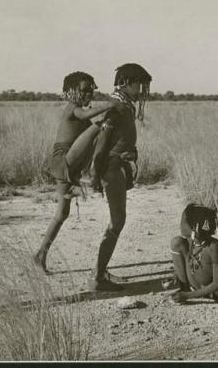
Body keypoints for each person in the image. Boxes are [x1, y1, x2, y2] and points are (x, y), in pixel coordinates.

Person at [34, 71, 124, 274]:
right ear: (69, 92)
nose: (87, 95)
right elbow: (84, 116)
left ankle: (40, 254)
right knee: (99, 127)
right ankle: (78, 187)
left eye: (91, 90)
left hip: (73, 165)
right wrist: (110, 105)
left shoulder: (82, 109)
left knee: (61, 213)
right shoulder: (73, 108)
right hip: (63, 161)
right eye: (83, 91)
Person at [86, 63, 152, 291]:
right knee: (117, 221)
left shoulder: (124, 105)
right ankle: (97, 277)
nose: (141, 91)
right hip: (111, 169)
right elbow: (102, 142)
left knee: (117, 221)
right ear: (125, 83)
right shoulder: (116, 107)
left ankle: (101, 271)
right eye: (138, 86)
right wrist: (95, 173)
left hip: (118, 167)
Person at [170, 203, 218, 310]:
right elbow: (188, 262)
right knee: (176, 242)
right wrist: (176, 274)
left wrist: (187, 297)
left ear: (195, 228)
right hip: (195, 286)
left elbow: (216, 283)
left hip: (214, 290)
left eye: (184, 222)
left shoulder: (213, 247)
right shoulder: (190, 241)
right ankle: (185, 289)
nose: (180, 226)